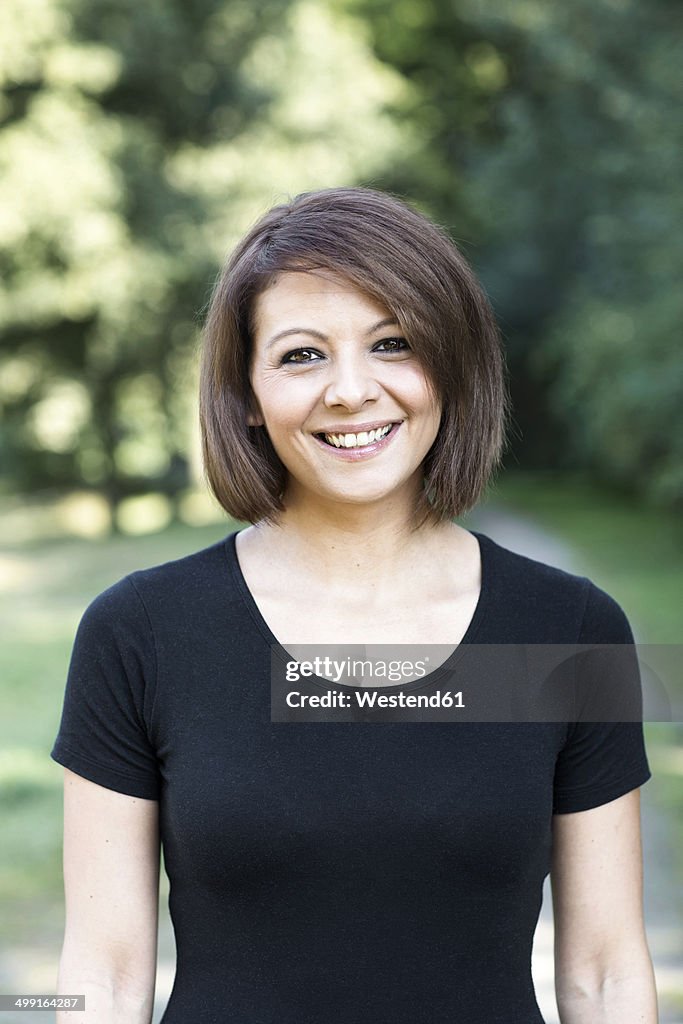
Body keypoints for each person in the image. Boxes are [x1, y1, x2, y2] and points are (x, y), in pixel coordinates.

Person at [51, 186, 658, 1023]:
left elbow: (603, 973)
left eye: (392, 343)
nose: (349, 390)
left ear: (451, 363)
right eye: (301, 355)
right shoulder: (140, 634)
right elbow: (103, 975)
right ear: (248, 396)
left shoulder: (572, 632)